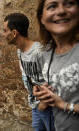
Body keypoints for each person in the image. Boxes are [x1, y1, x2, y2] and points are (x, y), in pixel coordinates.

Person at [3, 13, 55, 131]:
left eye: (5, 31)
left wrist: (43, 105)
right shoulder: (20, 51)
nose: (3, 34)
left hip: (47, 106)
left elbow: (54, 80)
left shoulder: (39, 52)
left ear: (14, 33)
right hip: (34, 104)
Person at [33, 0, 79, 130]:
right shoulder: (47, 52)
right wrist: (44, 91)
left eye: (69, 3)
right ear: (41, 18)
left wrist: (63, 105)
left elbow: (61, 102)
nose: (61, 11)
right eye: (52, 6)